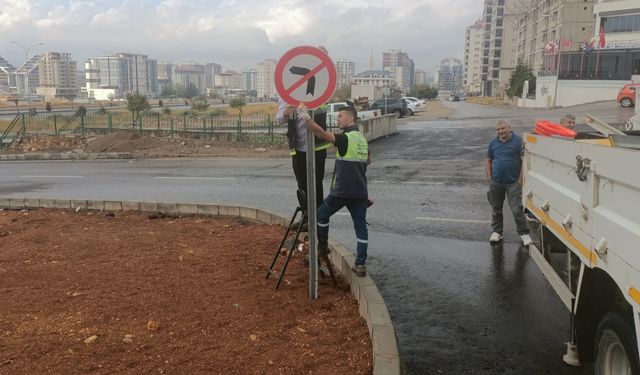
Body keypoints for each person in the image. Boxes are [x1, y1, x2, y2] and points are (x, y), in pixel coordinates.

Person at [297, 103, 370, 277]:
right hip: (360, 192)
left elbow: (321, 134)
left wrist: (305, 116)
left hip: (342, 191)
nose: (337, 119)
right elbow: (366, 164)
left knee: (321, 215)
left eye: (340, 116)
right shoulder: (362, 140)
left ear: (350, 118)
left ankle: (322, 247)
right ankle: (360, 265)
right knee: (361, 228)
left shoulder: (345, 138)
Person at [485, 120, 532, 246]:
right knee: (496, 209)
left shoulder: (518, 141)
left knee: (517, 209)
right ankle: (497, 232)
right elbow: (488, 159)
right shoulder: (493, 143)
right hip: (496, 182)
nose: (500, 131)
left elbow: (524, 160)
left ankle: (524, 233)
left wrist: (521, 179)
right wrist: (489, 178)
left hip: (513, 183)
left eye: (503, 128)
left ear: (509, 128)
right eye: (498, 129)